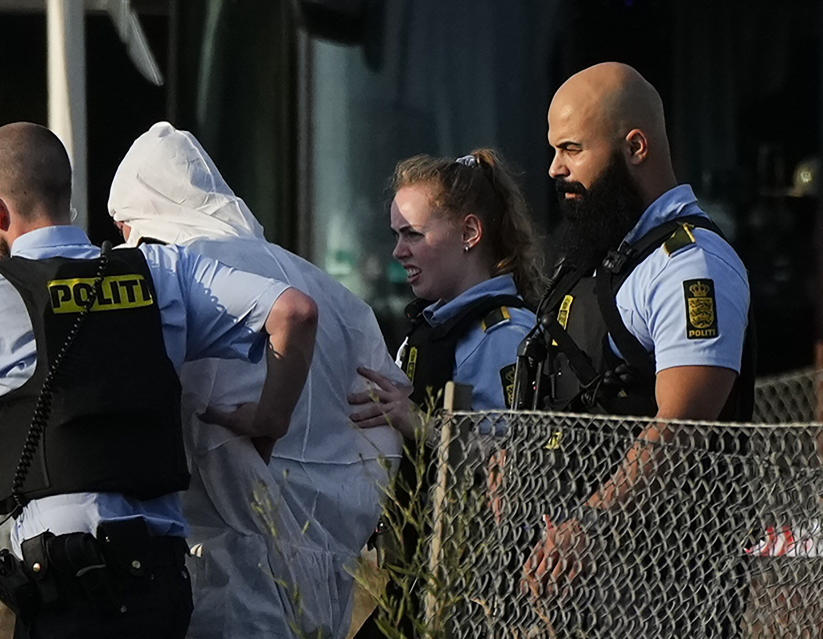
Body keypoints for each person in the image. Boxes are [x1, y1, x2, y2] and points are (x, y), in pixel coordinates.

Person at [0, 122, 318, 638]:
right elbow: (294, 312)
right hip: (159, 579)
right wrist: (270, 418)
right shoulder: (161, 270)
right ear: (65, 194)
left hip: (65, 585)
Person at [106, 122, 404, 639]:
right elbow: (380, 425)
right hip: (328, 574)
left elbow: (180, 415)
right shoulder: (334, 293)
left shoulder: (183, 280)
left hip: (219, 574)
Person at [516, 62, 755, 637]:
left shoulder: (693, 268)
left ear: (635, 146)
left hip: (664, 589)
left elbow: (682, 428)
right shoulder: (602, 254)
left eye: (571, 148)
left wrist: (592, 523)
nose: (555, 168)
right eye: (554, 150)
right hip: (576, 583)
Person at [349, 149, 544, 637]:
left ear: (469, 234)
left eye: (413, 233)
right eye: (397, 234)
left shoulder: (504, 333)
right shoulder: (428, 327)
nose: (398, 251)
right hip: (414, 571)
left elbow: (514, 457)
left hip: (471, 587)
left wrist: (419, 423)